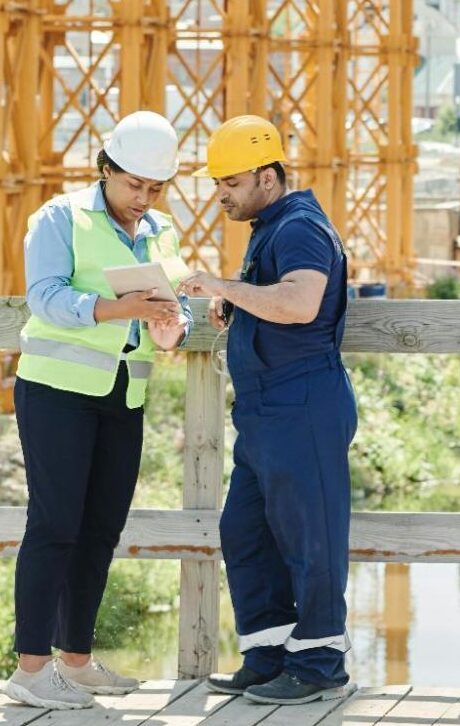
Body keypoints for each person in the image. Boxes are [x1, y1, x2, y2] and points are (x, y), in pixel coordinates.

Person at [2, 111, 192, 710]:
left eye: (155, 188)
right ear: (106, 169)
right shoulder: (60, 217)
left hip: (123, 394)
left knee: (100, 531)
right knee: (54, 525)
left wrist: (172, 325)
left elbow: (173, 309)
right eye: (134, 184)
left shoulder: (161, 229)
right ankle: (30, 672)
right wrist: (120, 307)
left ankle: (76, 662)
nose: (144, 198)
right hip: (57, 390)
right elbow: (47, 298)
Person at [178, 115, 357, 706]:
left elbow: (301, 303)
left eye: (230, 181)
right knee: (246, 530)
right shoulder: (270, 225)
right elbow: (273, 299)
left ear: (267, 175)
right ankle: (270, 654)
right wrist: (242, 306)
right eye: (217, 182)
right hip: (265, 412)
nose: (220, 193)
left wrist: (224, 288)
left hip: (301, 402)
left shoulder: (300, 226)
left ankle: (322, 663)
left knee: (312, 536)